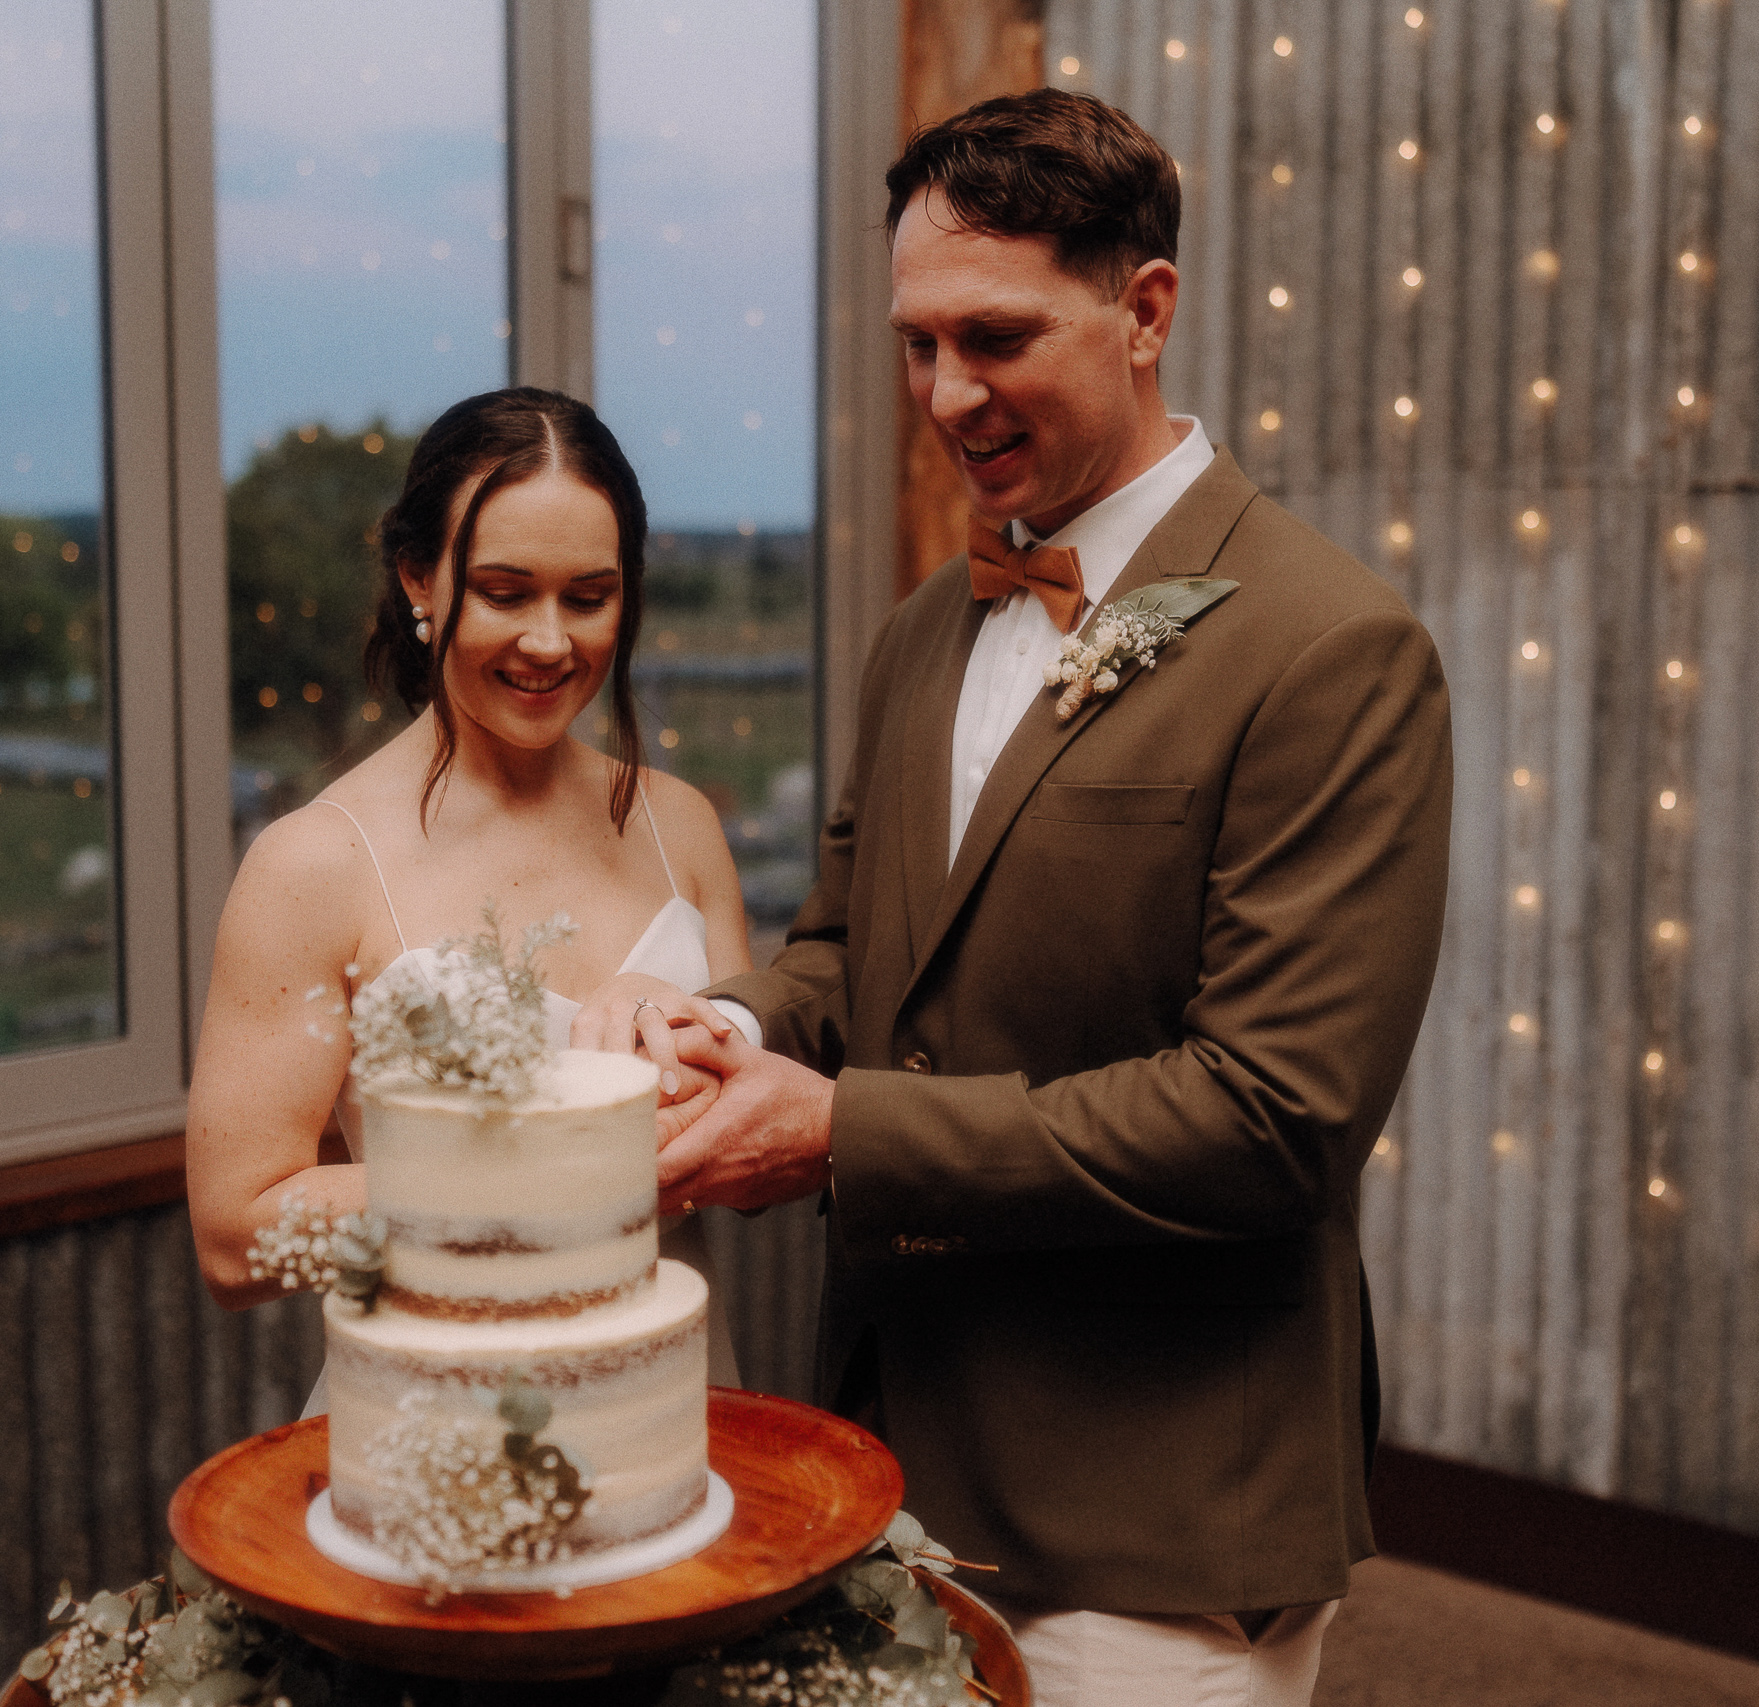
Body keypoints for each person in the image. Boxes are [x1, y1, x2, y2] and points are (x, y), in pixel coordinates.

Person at [577, 91, 1451, 1705]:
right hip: (894, 1451)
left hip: (1158, 1523)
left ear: (1146, 310)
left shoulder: (1333, 648)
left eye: (993, 336)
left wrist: (837, 1131)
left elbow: (1274, 1115)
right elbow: (853, 949)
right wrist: (718, 1021)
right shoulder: (924, 627)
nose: (947, 394)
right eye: (918, 345)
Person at [186, 386, 748, 1397]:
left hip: (683, 1399)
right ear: (420, 581)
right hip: (440, 1429)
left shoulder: (683, 828)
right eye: (503, 591)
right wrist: (537, 1176)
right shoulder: (313, 863)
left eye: (587, 597)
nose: (548, 642)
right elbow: (234, 1241)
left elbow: (747, 1143)